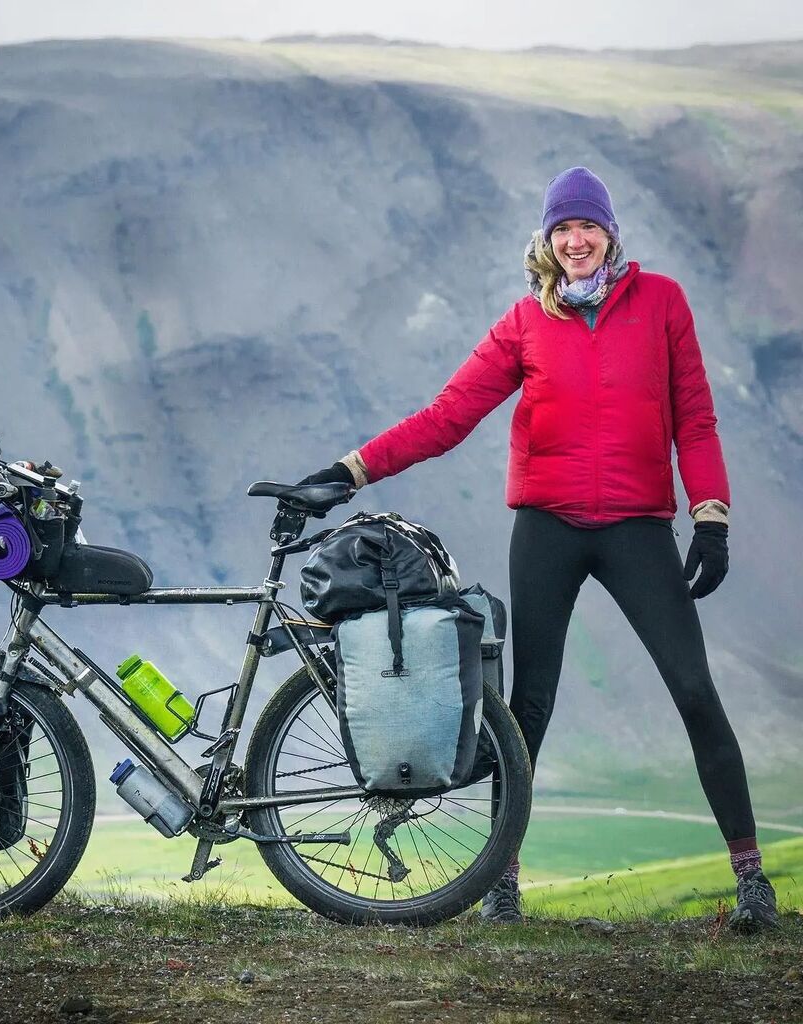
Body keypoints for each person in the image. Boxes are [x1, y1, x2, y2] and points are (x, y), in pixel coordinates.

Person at [279, 167, 777, 930]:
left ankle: (751, 883)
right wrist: (348, 472)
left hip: (637, 527)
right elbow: (448, 416)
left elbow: (696, 421)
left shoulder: (662, 303)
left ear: (610, 233)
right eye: (562, 229)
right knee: (527, 709)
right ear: (546, 241)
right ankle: (502, 884)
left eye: (589, 226)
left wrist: (712, 518)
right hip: (547, 527)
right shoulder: (525, 322)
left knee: (691, 687)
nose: (576, 240)